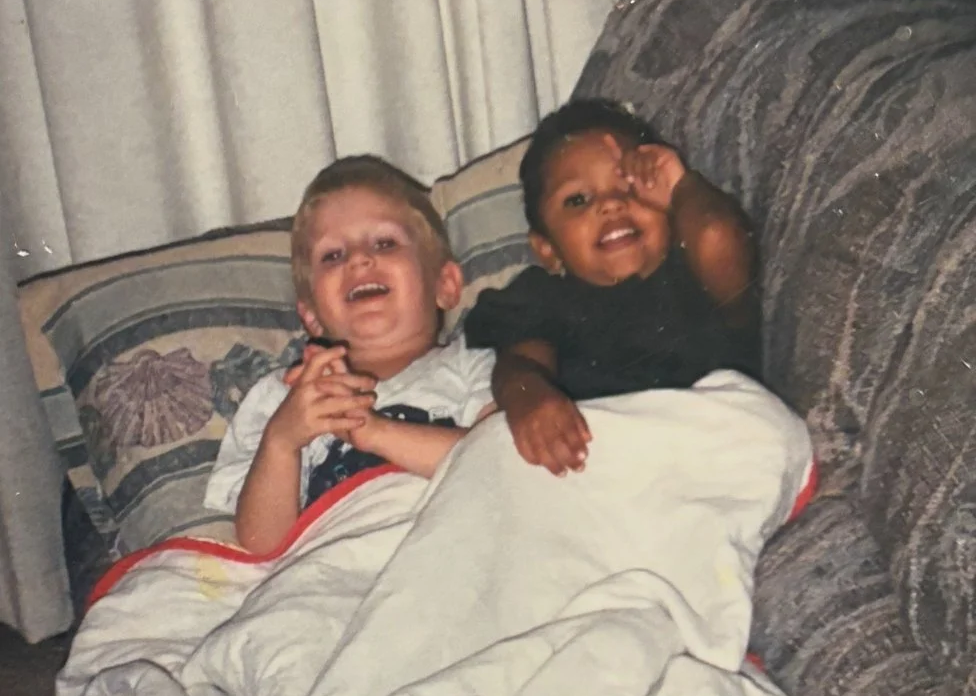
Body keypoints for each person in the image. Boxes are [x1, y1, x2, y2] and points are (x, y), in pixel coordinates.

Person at [205, 156, 495, 553]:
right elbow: (259, 542)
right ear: (310, 315)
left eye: (384, 243)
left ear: (444, 284)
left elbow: (497, 464)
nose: (359, 259)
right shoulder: (285, 398)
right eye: (333, 256)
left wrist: (373, 431)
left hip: (448, 551)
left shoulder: (476, 364)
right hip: (331, 577)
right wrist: (282, 441)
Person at [463, 98, 760, 478]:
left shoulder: (695, 271)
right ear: (548, 250)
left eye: (630, 187)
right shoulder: (545, 298)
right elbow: (519, 364)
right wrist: (529, 396)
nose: (611, 205)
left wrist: (681, 185)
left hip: (711, 449)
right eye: (578, 200)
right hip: (605, 462)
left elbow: (717, 236)